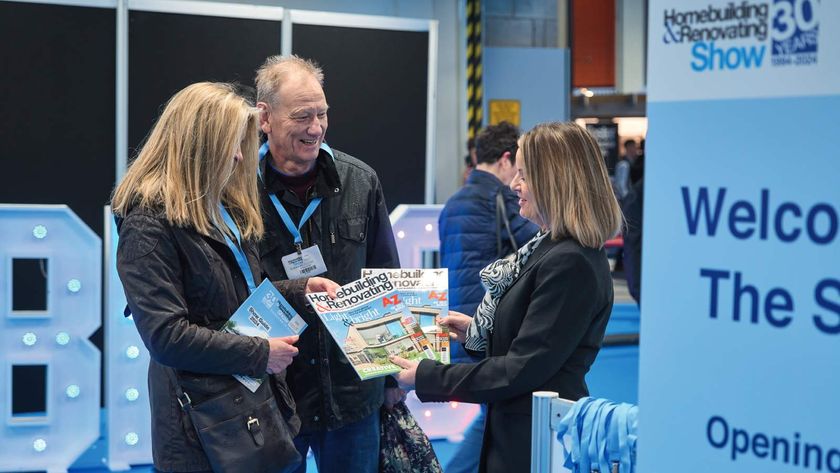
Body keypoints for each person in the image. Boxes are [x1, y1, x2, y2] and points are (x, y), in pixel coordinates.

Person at [112, 82, 339, 472]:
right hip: (201, 428)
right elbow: (167, 337)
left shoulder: (222, 208)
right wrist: (260, 354)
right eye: (230, 144)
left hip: (252, 413)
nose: (238, 155)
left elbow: (239, 295)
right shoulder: (148, 225)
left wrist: (301, 291)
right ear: (197, 148)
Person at [392, 122, 623, 473]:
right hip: (518, 429)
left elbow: (521, 369)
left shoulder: (569, 261)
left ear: (555, 182)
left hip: (535, 439)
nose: (515, 185)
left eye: (525, 176)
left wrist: (427, 376)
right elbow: (534, 345)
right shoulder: (549, 248)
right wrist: (476, 331)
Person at [254, 55, 401, 473]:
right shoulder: (238, 189)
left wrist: (392, 376)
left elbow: (384, 276)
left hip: (353, 395)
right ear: (265, 117)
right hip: (275, 396)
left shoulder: (361, 181)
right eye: (302, 116)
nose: (315, 127)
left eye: (322, 113)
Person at [438, 122, 539, 473]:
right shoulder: (503, 200)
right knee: (493, 421)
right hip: (493, 326)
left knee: (491, 416)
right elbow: (539, 243)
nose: (519, 182)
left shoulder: (452, 204)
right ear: (507, 158)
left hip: (457, 325)